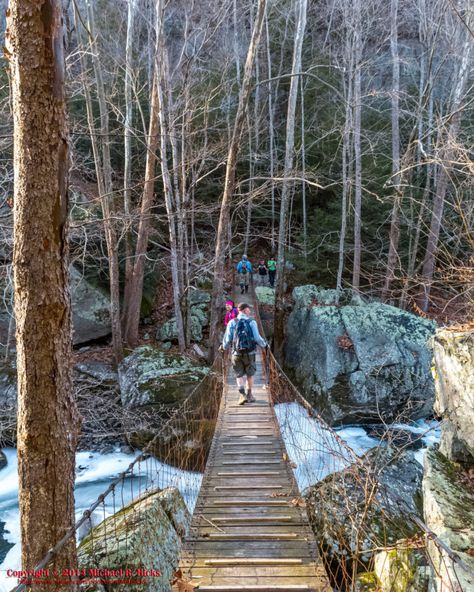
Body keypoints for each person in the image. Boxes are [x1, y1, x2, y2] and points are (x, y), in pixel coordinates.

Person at [220, 302, 268, 405]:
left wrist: (223, 347)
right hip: (250, 353)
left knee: (239, 375)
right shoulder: (252, 322)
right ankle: (250, 395)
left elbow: (227, 339)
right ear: (245, 310)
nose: (250, 311)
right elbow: (257, 338)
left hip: (236, 353)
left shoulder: (232, 322)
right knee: (250, 375)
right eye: (248, 309)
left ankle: (242, 395)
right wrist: (264, 345)